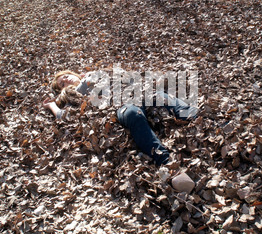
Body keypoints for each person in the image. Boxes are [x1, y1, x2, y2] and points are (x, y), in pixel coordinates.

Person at [43, 69, 198, 166]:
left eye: (66, 76)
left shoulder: (94, 74)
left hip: (134, 94)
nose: (66, 80)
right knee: (132, 114)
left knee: (159, 95)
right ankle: (165, 161)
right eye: (62, 84)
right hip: (116, 107)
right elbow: (65, 116)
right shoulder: (74, 93)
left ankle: (193, 115)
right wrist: (51, 105)